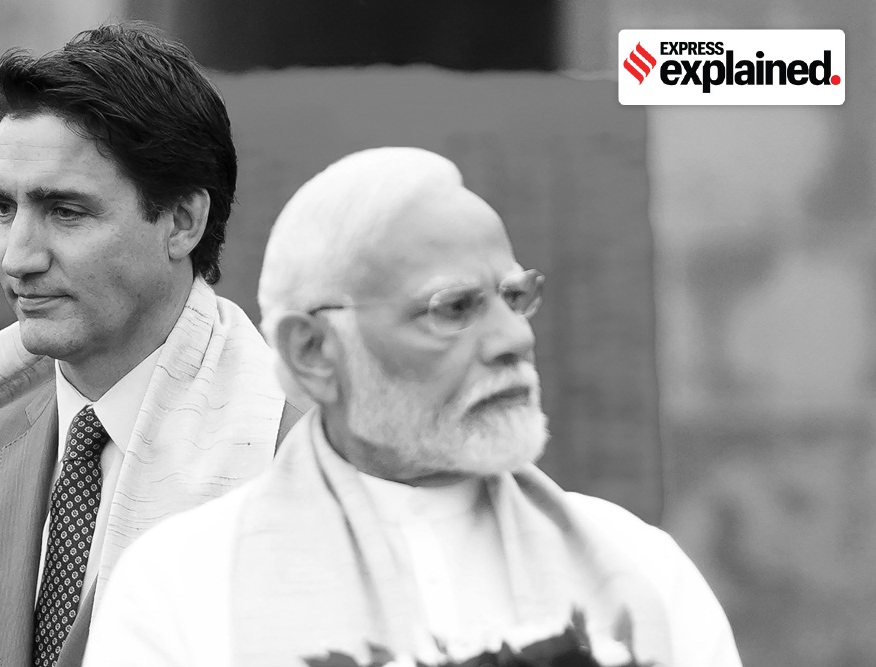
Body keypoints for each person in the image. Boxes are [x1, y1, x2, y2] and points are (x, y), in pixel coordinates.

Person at [83, 147, 744, 667]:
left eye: (515, 298)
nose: (515, 339)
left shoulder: (641, 566)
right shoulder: (181, 583)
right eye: (454, 308)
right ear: (314, 349)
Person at [0, 22, 302, 667]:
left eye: (66, 211)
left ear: (182, 221)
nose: (18, 257)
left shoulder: (304, 460)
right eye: (3, 209)